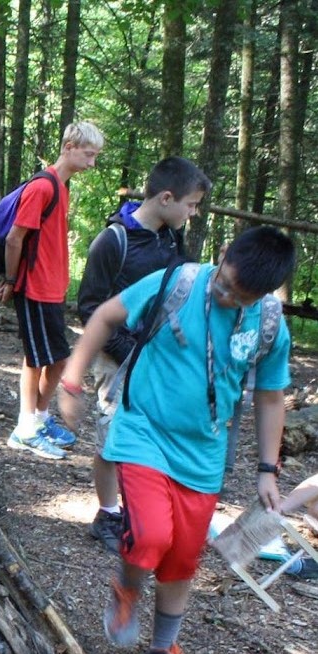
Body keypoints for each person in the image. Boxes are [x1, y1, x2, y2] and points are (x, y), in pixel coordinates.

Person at [58, 226, 296, 654]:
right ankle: (127, 587)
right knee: (150, 535)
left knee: (183, 557)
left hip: (204, 451)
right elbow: (106, 317)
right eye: (225, 282)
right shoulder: (180, 282)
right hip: (143, 429)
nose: (227, 296)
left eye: (241, 295)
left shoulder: (268, 323)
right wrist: (71, 379)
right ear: (223, 253)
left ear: (264, 295)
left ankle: (162, 652)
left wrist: (267, 469)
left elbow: (270, 397)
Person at [77, 158, 212, 553]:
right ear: (167, 198)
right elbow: (90, 308)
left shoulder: (172, 239)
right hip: (117, 357)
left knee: (150, 433)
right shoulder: (113, 241)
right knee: (112, 434)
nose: (193, 213)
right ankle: (107, 513)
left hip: (159, 358)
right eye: (190, 205)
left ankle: (142, 512)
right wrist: (126, 353)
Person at [0, 121, 104, 459]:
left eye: (96, 156)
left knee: (54, 359)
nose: (92, 163)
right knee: (38, 359)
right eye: (89, 154)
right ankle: (25, 429)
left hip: (52, 287)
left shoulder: (62, 187)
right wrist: (11, 282)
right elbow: (15, 238)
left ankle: (38, 419)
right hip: (35, 286)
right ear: (69, 147)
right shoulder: (43, 187)